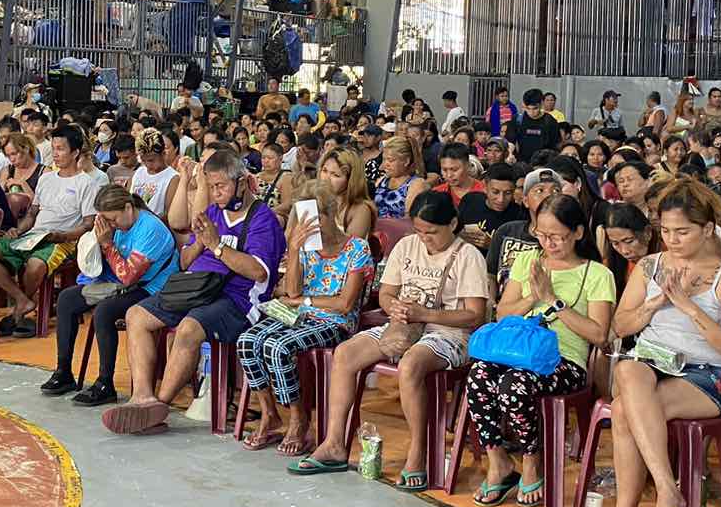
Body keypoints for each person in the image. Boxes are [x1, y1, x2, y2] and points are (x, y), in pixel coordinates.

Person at [584, 179, 721, 507]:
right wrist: (658, 302)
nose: (672, 240)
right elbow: (621, 327)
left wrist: (690, 307)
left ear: (707, 229)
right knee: (628, 371)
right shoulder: (650, 266)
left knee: (627, 408)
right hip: (652, 363)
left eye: (682, 231)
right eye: (665, 231)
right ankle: (666, 488)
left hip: (706, 375)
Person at [291, 191, 487, 482]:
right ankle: (333, 443)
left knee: (410, 365)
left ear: (453, 223)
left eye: (431, 232)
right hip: (404, 324)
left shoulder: (468, 256)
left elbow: (474, 315)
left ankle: (418, 451)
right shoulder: (408, 245)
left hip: (448, 333)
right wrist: (393, 307)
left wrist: (424, 314)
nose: (424, 239)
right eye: (419, 231)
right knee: (345, 354)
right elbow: (385, 293)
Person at [103, 149, 284, 435]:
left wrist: (216, 245)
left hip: (238, 299)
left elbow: (259, 272)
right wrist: (200, 242)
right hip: (197, 287)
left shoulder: (263, 219)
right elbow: (185, 261)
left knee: (189, 328)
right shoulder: (213, 211)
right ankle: (142, 397)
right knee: (136, 315)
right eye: (210, 187)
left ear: (241, 182)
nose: (215, 194)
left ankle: (157, 407)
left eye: (220, 186)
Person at [467, 194, 615, 507]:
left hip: (564, 362)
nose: (548, 243)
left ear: (577, 232)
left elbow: (599, 334)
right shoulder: (528, 261)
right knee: (479, 375)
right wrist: (531, 298)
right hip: (516, 351)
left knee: (514, 385)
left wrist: (553, 301)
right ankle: (500, 463)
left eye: (557, 236)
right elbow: (502, 314)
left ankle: (533, 460)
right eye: (542, 235)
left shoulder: (598, 274)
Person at [239, 184, 373, 457]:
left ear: (330, 213)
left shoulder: (357, 248)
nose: (311, 226)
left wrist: (305, 302)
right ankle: (269, 413)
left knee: (277, 347)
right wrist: (294, 249)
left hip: (334, 322)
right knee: (247, 341)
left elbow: (344, 304)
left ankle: (299, 418)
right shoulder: (306, 247)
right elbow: (291, 292)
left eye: (316, 218)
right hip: (299, 314)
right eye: (305, 219)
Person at [41, 185, 178, 406]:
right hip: (119, 284)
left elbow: (128, 276)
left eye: (113, 220)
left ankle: (106, 383)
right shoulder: (116, 225)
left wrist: (107, 243)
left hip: (152, 288)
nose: (111, 225)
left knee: (105, 311)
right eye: (107, 220)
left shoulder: (150, 228)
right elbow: (102, 266)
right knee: (67, 299)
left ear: (127, 208)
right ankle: (63, 371)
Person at [0, 125, 98, 337]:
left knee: (35, 264)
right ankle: (22, 300)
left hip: (61, 240)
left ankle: (19, 311)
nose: (55, 154)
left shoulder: (87, 183)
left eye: (60, 149)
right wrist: (18, 231)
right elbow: (32, 213)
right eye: (53, 148)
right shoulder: (47, 178)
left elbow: (87, 224)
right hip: (32, 236)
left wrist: (61, 236)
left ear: (75, 152)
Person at [489, 167, 559, 290]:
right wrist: (490, 301)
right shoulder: (507, 231)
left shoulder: (566, 238)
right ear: (525, 200)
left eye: (555, 191)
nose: (548, 196)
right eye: (540, 190)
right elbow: (490, 274)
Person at [457, 162, 528, 253]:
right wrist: (459, 234)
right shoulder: (470, 201)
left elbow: (521, 254)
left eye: (508, 193)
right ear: (485, 188)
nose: (500, 199)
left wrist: (493, 244)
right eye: (495, 192)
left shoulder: (520, 216)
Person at [319, 148, 374, 240]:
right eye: (324, 171)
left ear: (350, 180)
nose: (326, 179)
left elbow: (350, 250)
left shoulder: (361, 209)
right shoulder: (318, 200)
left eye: (335, 175)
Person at [129, 128, 181, 216]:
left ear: (163, 154)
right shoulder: (139, 172)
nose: (147, 165)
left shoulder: (173, 178)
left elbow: (169, 215)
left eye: (151, 160)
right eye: (143, 161)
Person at [373, 136, 426, 220]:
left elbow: (410, 220)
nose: (385, 164)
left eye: (390, 160)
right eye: (384, 159)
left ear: (406, 161)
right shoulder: (382, 180)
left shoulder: (416, 184)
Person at [514, 89, 562, 163]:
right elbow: (511, 142)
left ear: (541, 103)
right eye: (528, 108)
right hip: (522, 163)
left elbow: (556, 145)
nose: (531, 112)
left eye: (535, 108)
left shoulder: (550, 121)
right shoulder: (518, 120)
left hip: (543, 164)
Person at [432, 141, 479, 208]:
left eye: (454, 170)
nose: (449, 175)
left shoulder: (484, 192)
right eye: (444, 170)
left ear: (468, 166)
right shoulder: (436, 194)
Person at [253, 140, 292, 214]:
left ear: (280, 159)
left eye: (270, 158)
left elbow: (287, 205)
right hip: (254, 216)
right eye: (263, 158)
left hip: (275, 215)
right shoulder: (256, 177)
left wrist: (264, 212)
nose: (266, 161)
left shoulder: (286, 177)